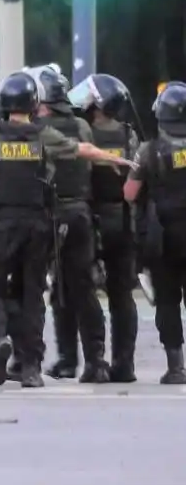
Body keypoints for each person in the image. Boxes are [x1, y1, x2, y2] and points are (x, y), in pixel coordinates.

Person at [0, 72, 134, 387]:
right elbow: (83, 150)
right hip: (41, 223)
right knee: (34, 294)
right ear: (34, 103)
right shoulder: (45, 134)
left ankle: (1, 337)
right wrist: (120, 161)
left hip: (4, 223)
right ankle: (32, 369)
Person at [25, 65, 109, 381]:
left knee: (53, 289)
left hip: (50, 214)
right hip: (81, 214)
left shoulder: (37, 130)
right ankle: (96, 361)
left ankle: (63, 358)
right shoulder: (82, 127)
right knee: (82, 288)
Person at [70, 72, 140, 382]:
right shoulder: (130, 136)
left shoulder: (84, 135)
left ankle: (95, 361)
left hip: (92, 220)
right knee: (122, 295)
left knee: (86, 292)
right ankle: (124, 364)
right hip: (123, 222)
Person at [124, 81, 186, 383]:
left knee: (167, 300)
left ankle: (177, 367)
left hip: (164, 237)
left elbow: (130, 192)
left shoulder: (148, 151)